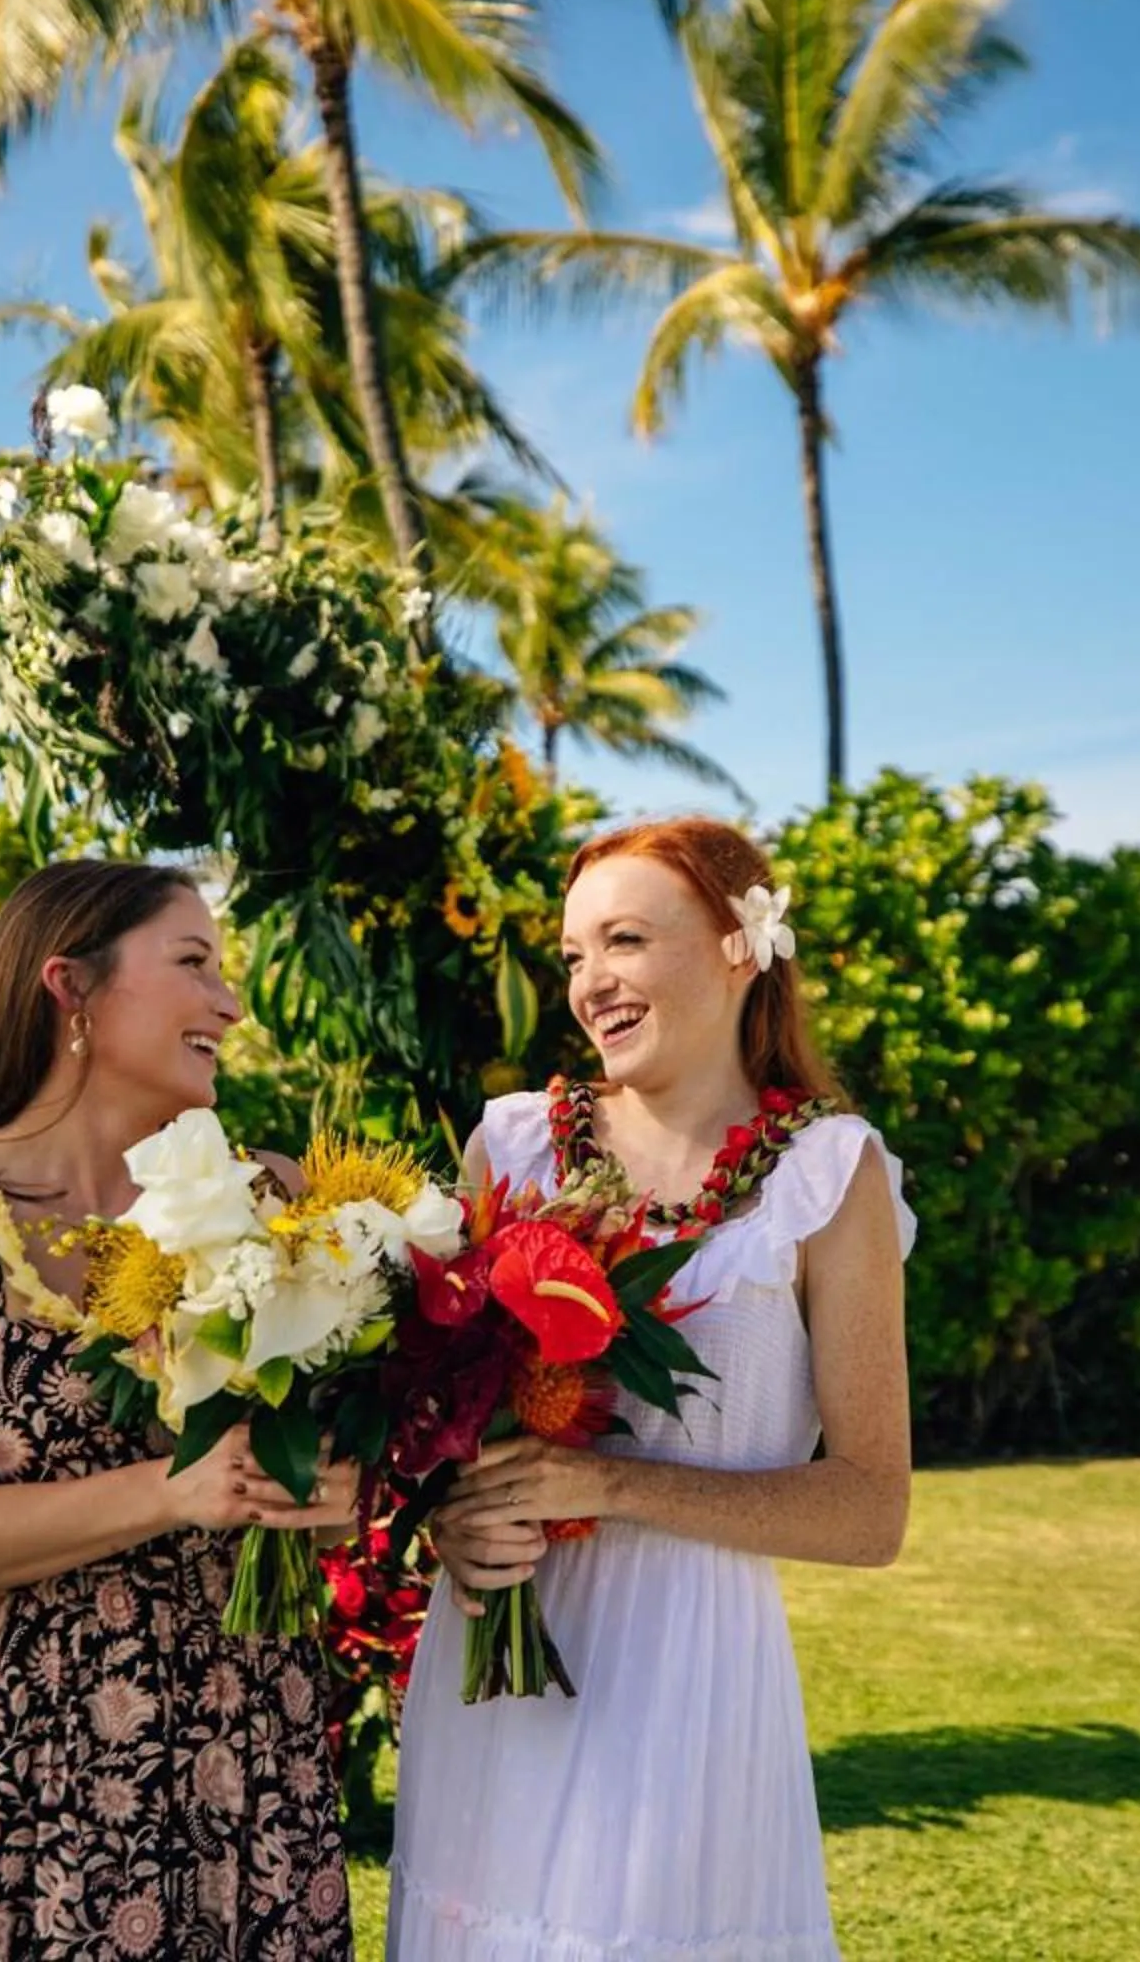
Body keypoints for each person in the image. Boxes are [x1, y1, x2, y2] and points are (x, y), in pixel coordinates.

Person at [387, 818, 916, 1961]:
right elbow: (436, 1424)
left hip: (689, 1677)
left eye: (624, 939)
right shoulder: (513, 1144)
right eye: (574, 954)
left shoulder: (831, 1175)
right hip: (495, 1671)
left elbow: (872, 1510)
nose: (589, 983)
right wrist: (450, 1528)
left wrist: (608, 1482)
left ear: (739, 944)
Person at [0, 858, 360, 1959]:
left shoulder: (274, 1201)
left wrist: (333, 1490)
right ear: (71, 987)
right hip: (42, 1767)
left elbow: (330, 1482)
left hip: (252, 1745)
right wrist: (176, 1489)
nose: (229, 1001)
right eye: (194, 964)